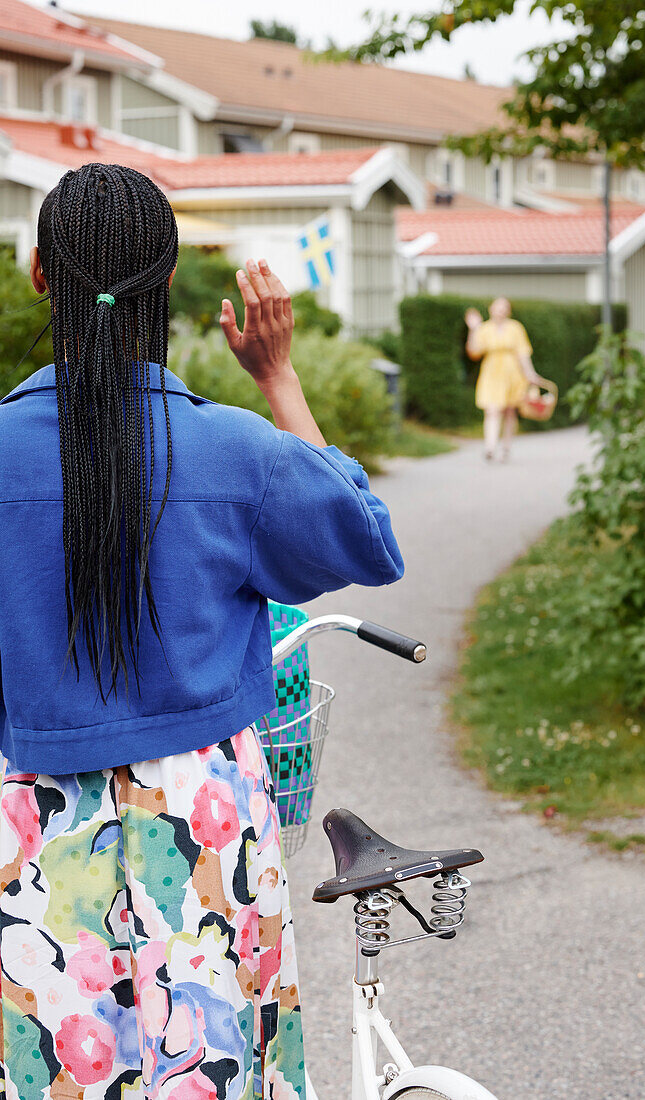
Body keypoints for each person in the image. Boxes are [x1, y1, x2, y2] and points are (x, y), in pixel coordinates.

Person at [0, 163, 404, 1100]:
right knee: (216, 1064)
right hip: (206, 818)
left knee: (56, 1072)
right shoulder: (234, 450)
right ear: (169, 281)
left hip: (33, 821)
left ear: (38, 275)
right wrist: (277, 376)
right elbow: (365, 538)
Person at [465, 297, 542, 461]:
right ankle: (490, 447)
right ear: (491, 309)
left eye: (504, 307)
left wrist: (530, 374)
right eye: (497, 307)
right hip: (492, 373)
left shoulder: (516, 328)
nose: (500, 310)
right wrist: (473, 329)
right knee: (492, 409)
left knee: (509, 411)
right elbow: (474, 352)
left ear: (508, 311)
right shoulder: (484, 329)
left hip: (512, 373)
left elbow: (523, 352)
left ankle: (506, 447)